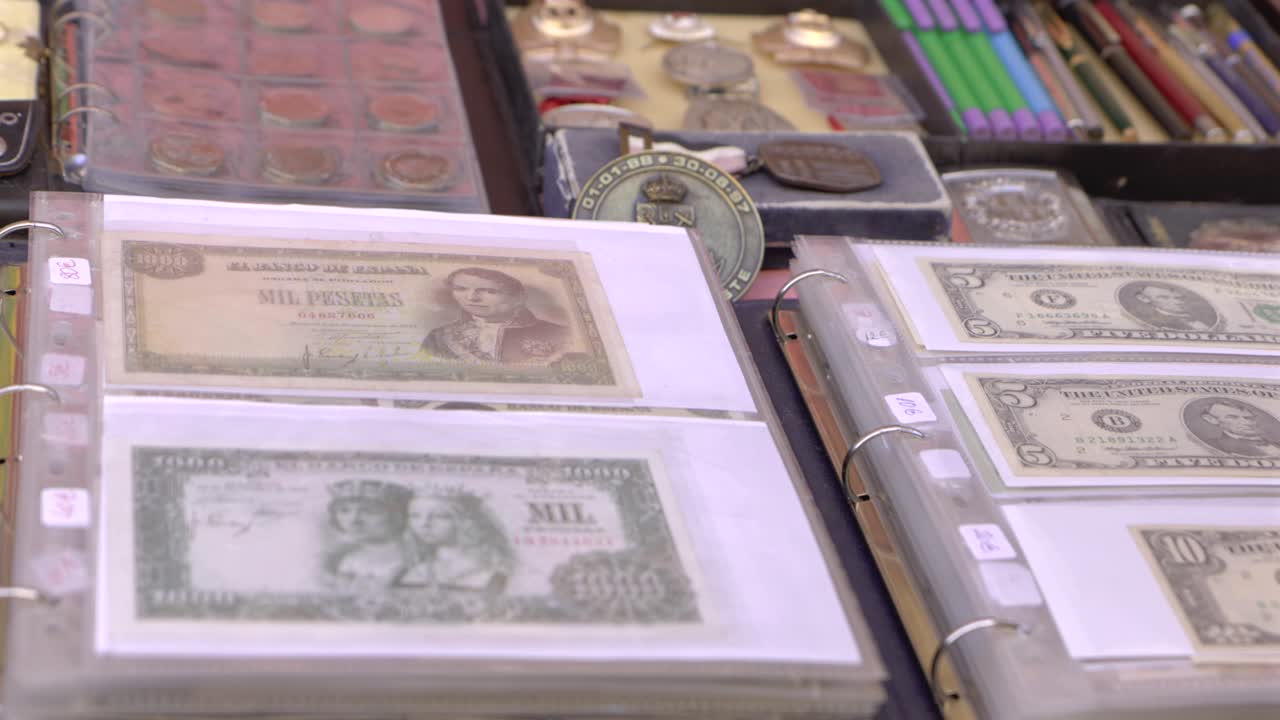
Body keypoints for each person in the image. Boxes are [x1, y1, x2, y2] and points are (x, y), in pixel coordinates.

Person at [420, 267, 570, 365]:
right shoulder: (438, 337)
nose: (472, 298)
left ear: (517, 297)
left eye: (489, 291)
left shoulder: (559, 333)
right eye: (461, 289)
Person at [395, 494, 513, 593]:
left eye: (439, 516)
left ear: (463, 521)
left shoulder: (488, 572)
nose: (424, 523)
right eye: (415, 516)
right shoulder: (411, 572)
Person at [324, 479, 413, 585]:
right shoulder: (346, 561)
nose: (354, 520)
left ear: (396, 517)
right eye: (344, 511)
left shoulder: (414, 559)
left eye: (369, 511)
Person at [1192, 399, 1280, 457]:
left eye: (1249, 418)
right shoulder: (1212, 445)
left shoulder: (1276, 444)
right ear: (1211, 419)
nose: (1247, 423)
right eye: (1232, 417)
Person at [1117, 281, 1219, 332]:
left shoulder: (1204, 319)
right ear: (1144, 299)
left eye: (1179, 298)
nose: (1177, 302)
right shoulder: (1151, 321)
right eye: (1164, 298)